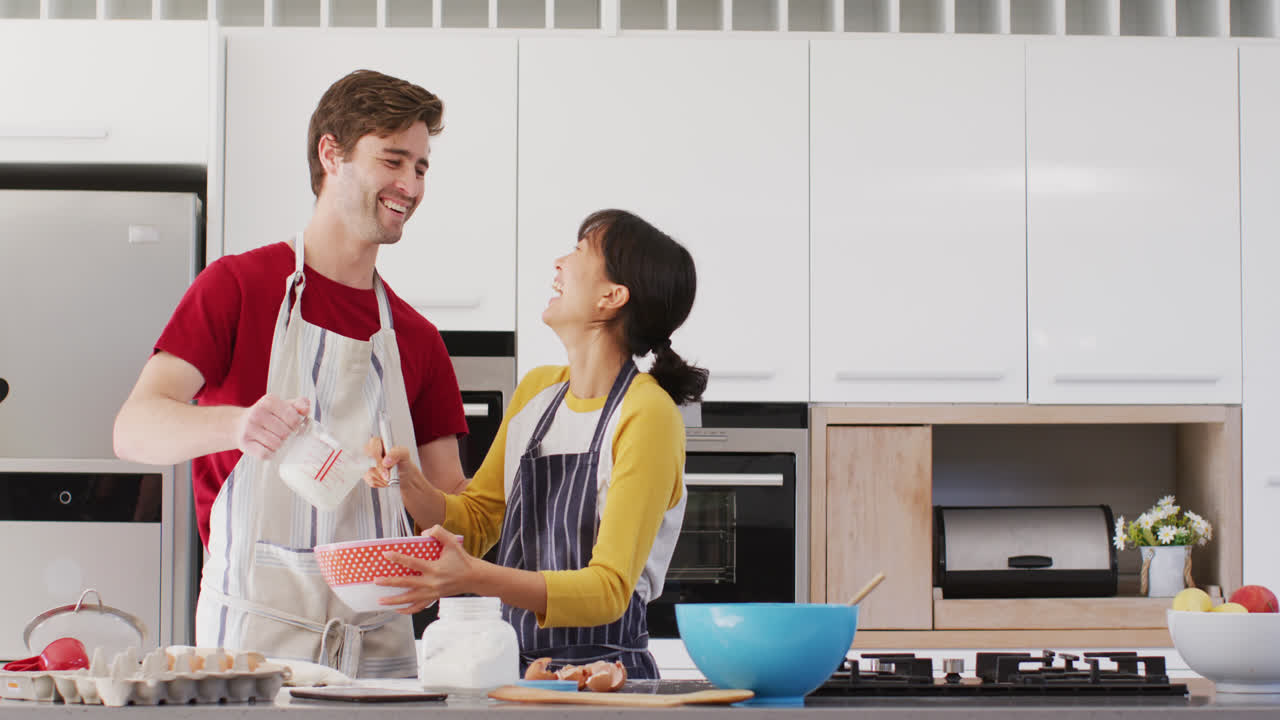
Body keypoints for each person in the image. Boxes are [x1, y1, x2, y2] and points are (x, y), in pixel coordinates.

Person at [112, 69, 469, 679]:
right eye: (393, 160)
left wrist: (410, 491)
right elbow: (134, 429)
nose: (410, 185)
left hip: (381, 657)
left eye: (422, 167)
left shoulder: (417, 339)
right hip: (249, 651)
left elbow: (456, 514)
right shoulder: (239, 287)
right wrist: (238, 425)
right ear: (331, 154)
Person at [364, 209, 708, 679]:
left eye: (580, 251)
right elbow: (478, 519)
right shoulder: (537, 393)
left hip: (608, 682)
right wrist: (408, 483)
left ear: (612, 296)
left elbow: (609, 590)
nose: (559, 262)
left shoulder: (647, 414)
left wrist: (473, 578)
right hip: (523, 678)